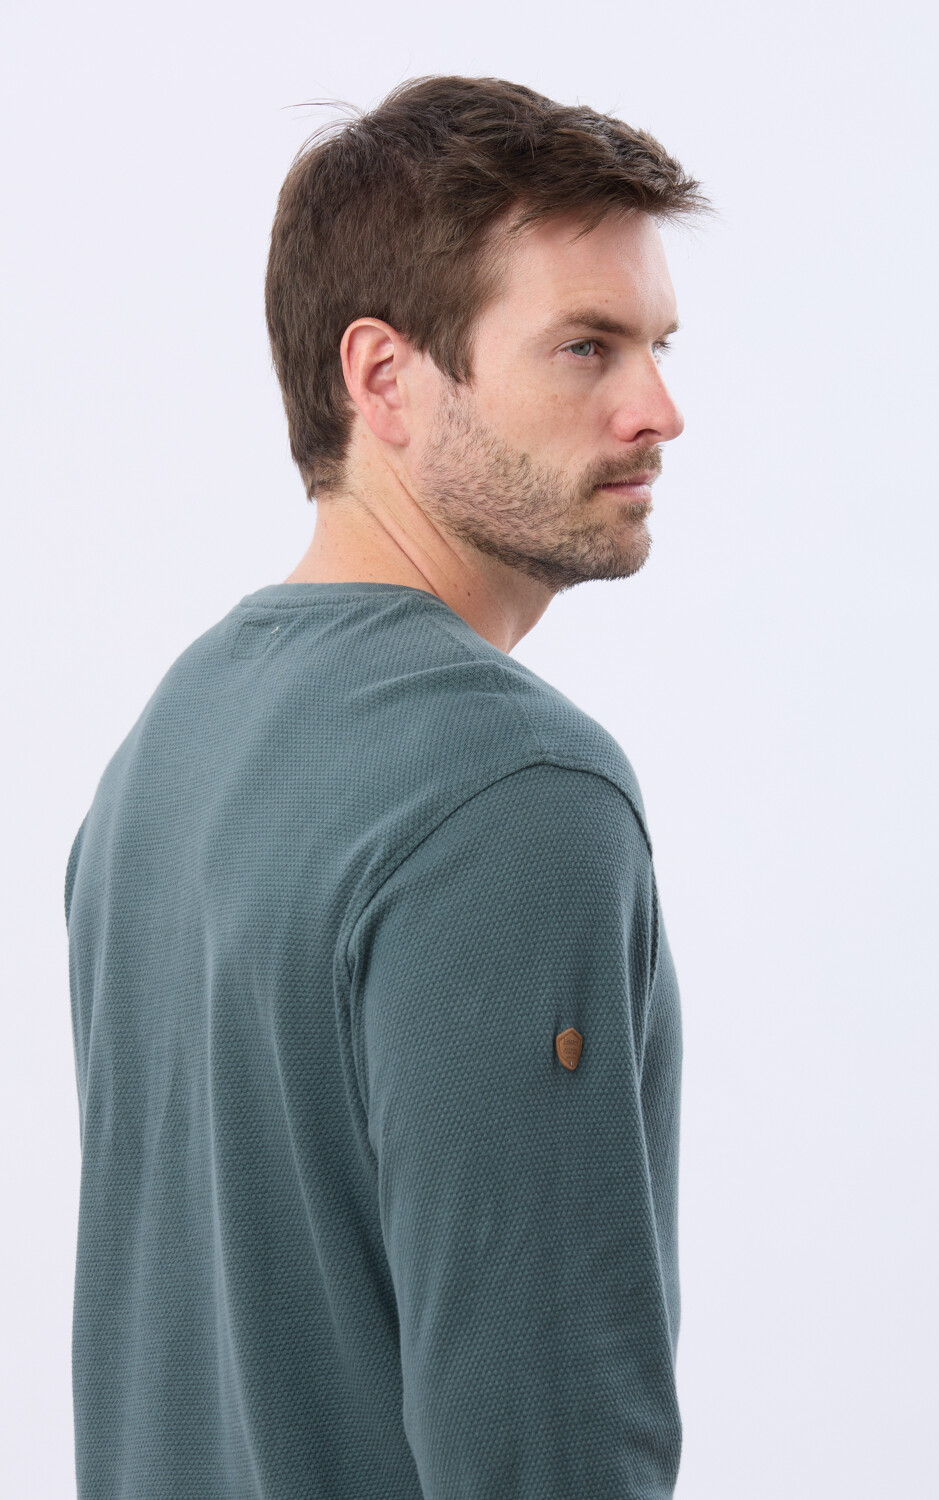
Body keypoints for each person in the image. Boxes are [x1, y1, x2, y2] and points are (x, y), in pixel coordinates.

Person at [63, 73, 712, 1499]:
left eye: (659, 345)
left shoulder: (172, 737)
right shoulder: (517, 793)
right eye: (587, 348)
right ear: (385, 378)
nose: (660, 410)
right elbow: (544, 1452)